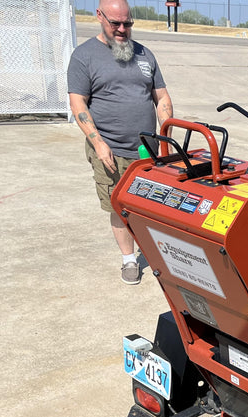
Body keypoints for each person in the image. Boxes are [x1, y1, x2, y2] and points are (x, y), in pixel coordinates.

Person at [67, 0, 173, 284]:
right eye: (116, 23)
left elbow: (161, 96)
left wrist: (166, 135)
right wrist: (98, 143)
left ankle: (157, 253)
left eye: (128, 23)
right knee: (119, 206)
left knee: (153, 205)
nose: (123, 29)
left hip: (148, 151)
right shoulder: (84, 56)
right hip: (110, 150)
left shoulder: (144, 54)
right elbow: (78, 103)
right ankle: (129, 260)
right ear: (99, 16)